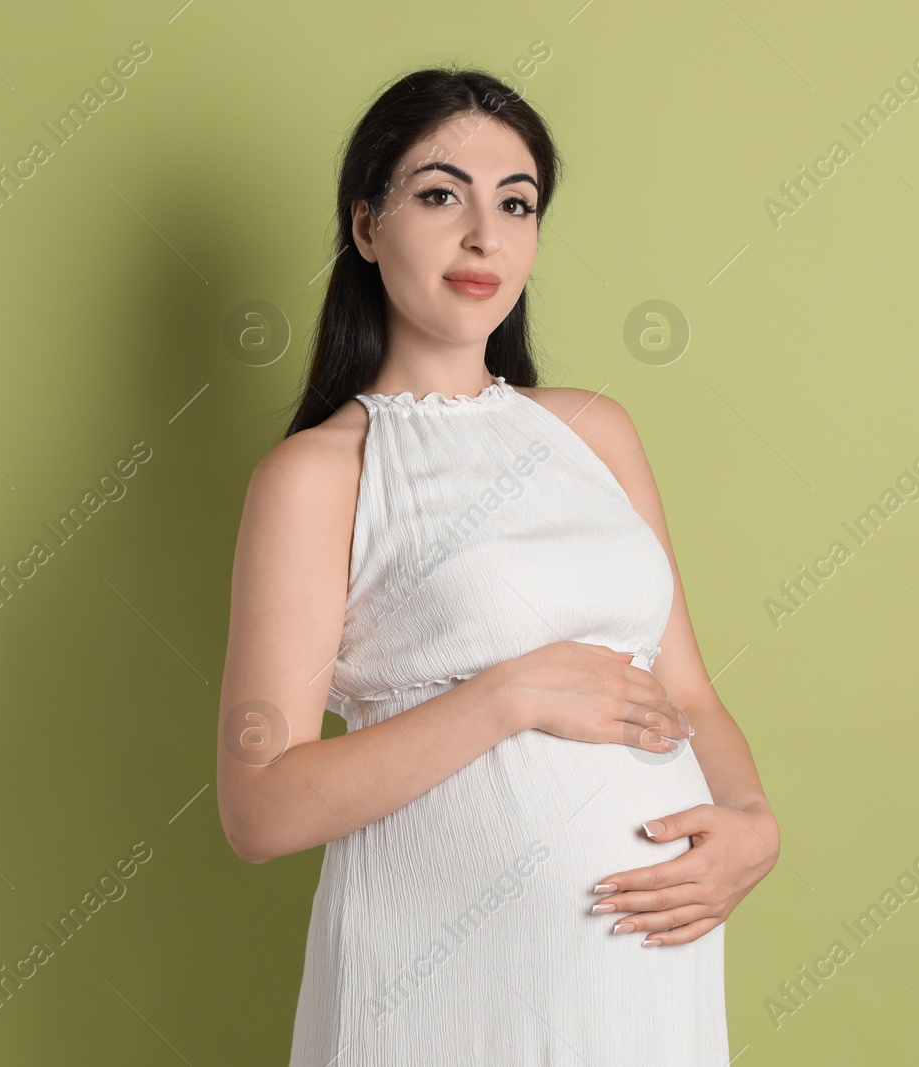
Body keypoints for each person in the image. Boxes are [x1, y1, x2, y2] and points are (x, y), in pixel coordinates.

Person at [217, 66, 779, 1065]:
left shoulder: (595, 430)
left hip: (641, 968)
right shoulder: (316, 474)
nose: (484, 235)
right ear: (364, 226)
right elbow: (259, 807)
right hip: (443, 983)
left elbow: (685, 685)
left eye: (515, 204)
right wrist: (508, 695)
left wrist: (749, 822)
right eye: (441, 195)